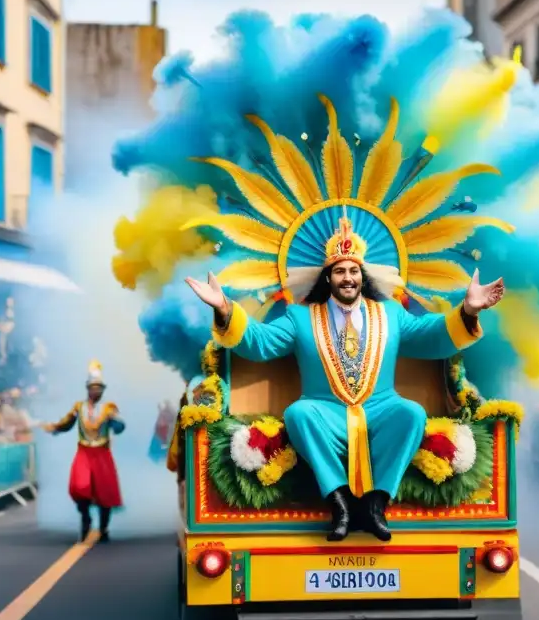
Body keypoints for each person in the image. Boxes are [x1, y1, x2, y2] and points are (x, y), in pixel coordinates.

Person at [186, 217, 503, 542]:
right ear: (329, 277)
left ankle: (375, 506)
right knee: (299, 413)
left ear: (362, 276)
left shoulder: (390, 314)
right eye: (340, 271)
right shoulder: (301, 317)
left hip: (382, 407)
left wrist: (468, 310)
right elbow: (261, 341)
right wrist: (224, 308)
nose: (347, 278)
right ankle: (339, 506)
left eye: (353, 271)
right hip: (324, 410)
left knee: (412, 413)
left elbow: (430, 334)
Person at [44, 360, 125, 543]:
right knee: (80, 487)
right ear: (87, 389)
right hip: (84, 452)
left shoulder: (109, 408)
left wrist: (115, 422)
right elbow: (67, 423)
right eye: (93, 388)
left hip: (102, 453)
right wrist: (55, 428)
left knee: (106, 493)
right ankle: (85, 518)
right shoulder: (78, 407)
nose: (96, 391)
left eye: (99, 388)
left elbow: (120, 427)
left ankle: (104, 529)